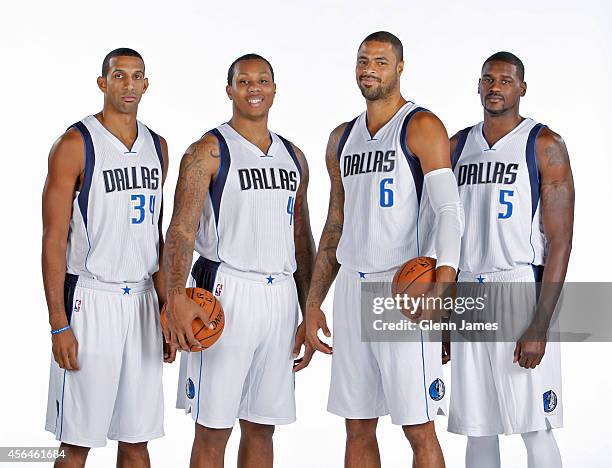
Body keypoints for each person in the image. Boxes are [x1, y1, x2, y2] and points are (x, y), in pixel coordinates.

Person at [305, 31, 464, 468]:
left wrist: (444, 283)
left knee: (418, 426)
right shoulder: (342, 137)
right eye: (362, 60)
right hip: (353, 290)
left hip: (404, 291)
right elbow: (334, 223)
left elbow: (450, 209)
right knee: (357, 424)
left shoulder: (421, 125)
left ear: (399, 67)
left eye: (379, 60)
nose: (368, 68)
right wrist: (315, 300)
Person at [163, 54, 315, 468]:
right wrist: (174, 296)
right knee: (213, 427)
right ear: (229, 90)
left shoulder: (294, 157)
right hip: (226, 293)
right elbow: (180, 231)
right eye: (244, 81)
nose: (254, 88)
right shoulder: (208, 151)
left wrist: (309, 310)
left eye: (262, 80)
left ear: (274, 89)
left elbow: (301, 239)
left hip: (280, 296)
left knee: (262, 425)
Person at [42, 48, 173, 468]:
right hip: (90, 300)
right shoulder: (74, 144)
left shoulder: (159, 146)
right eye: (119, 76)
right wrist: (58, 323)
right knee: (76, 443)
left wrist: (166, 308)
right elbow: (52, 240)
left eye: (137, 76)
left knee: (137, 442)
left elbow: (156, 235)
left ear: (146, 84)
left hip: (141, 303)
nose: (129, 85)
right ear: (103, 83)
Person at [447, 51, 574, 468]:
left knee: (534, 425)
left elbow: (560, 241)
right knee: (477, 427)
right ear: (477, 85)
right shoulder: (457, 146)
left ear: (522, 88)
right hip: (467, 290)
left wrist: (540, 324)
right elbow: (441, 232)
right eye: (488, 79)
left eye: (505, 80)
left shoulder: (544, 143)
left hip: (517, 287)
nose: (495, 87)